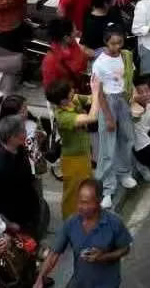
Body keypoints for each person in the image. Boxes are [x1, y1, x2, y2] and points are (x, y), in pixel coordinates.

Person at [41, 178, 133, 288]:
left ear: (99, 201)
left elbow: (125, 249)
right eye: (79, 201)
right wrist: (40, 279)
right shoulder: (72, 223)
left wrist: (103, 257)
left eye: (86, 203)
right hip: (80, 283)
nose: (81, 207)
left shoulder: (114, 223)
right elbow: (53, 254)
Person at [91, 26, 138, 208]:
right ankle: (107, 189)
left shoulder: (126, 56)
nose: (116, 46)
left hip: (123, 100)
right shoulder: (99, 64)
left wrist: (133, 98)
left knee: (127, 138)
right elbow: (99, 93)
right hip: (108, 102)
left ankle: (124, 173)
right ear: (106, 42)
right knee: (107, 147)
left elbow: (129, 79)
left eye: (120, 42)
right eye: (113, 43)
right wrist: (108, 117)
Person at [0, 113, 44, 238]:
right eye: (22, 131)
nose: (26, 133)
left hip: (30, 209)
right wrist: (9, 223)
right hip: (16, 220)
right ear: (12, 137)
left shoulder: (19, 148)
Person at [47, 78, 98, 218]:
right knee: (72, 194)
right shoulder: (63, 117)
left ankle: (84, 216)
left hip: (84, 155)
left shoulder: (73, 100)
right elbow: (92, 117)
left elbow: (91, 99)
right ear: (63, 99)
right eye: (70, 91)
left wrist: (97, 91)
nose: (73, 91)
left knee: (85, 188)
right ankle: (70, 221)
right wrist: (96, 91)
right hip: (73, 160)